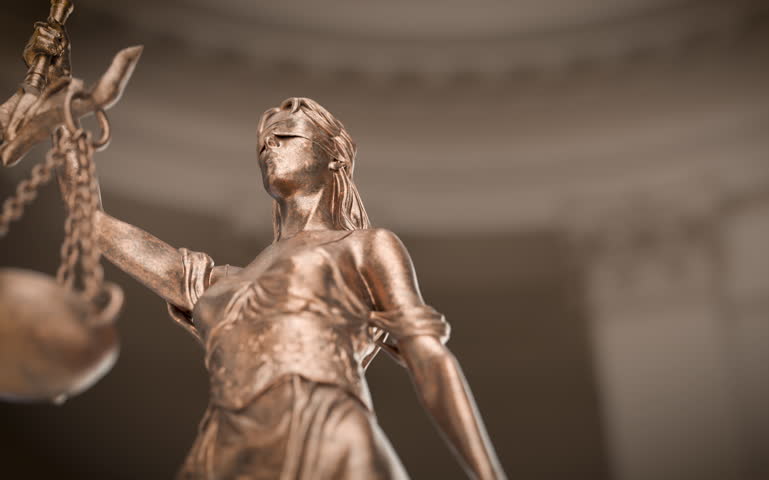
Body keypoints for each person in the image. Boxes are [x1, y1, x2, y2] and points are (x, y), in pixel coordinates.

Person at [30, 23, 505, 479]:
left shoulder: (366, 247)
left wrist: (489, 475)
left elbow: (432, 361)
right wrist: (59, 101)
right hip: (225, 448)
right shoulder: (216, 282)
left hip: (329, 433)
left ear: (333, 156)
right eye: (263, 145)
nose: (270, 149)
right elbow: (89, 219)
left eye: (285, 138)